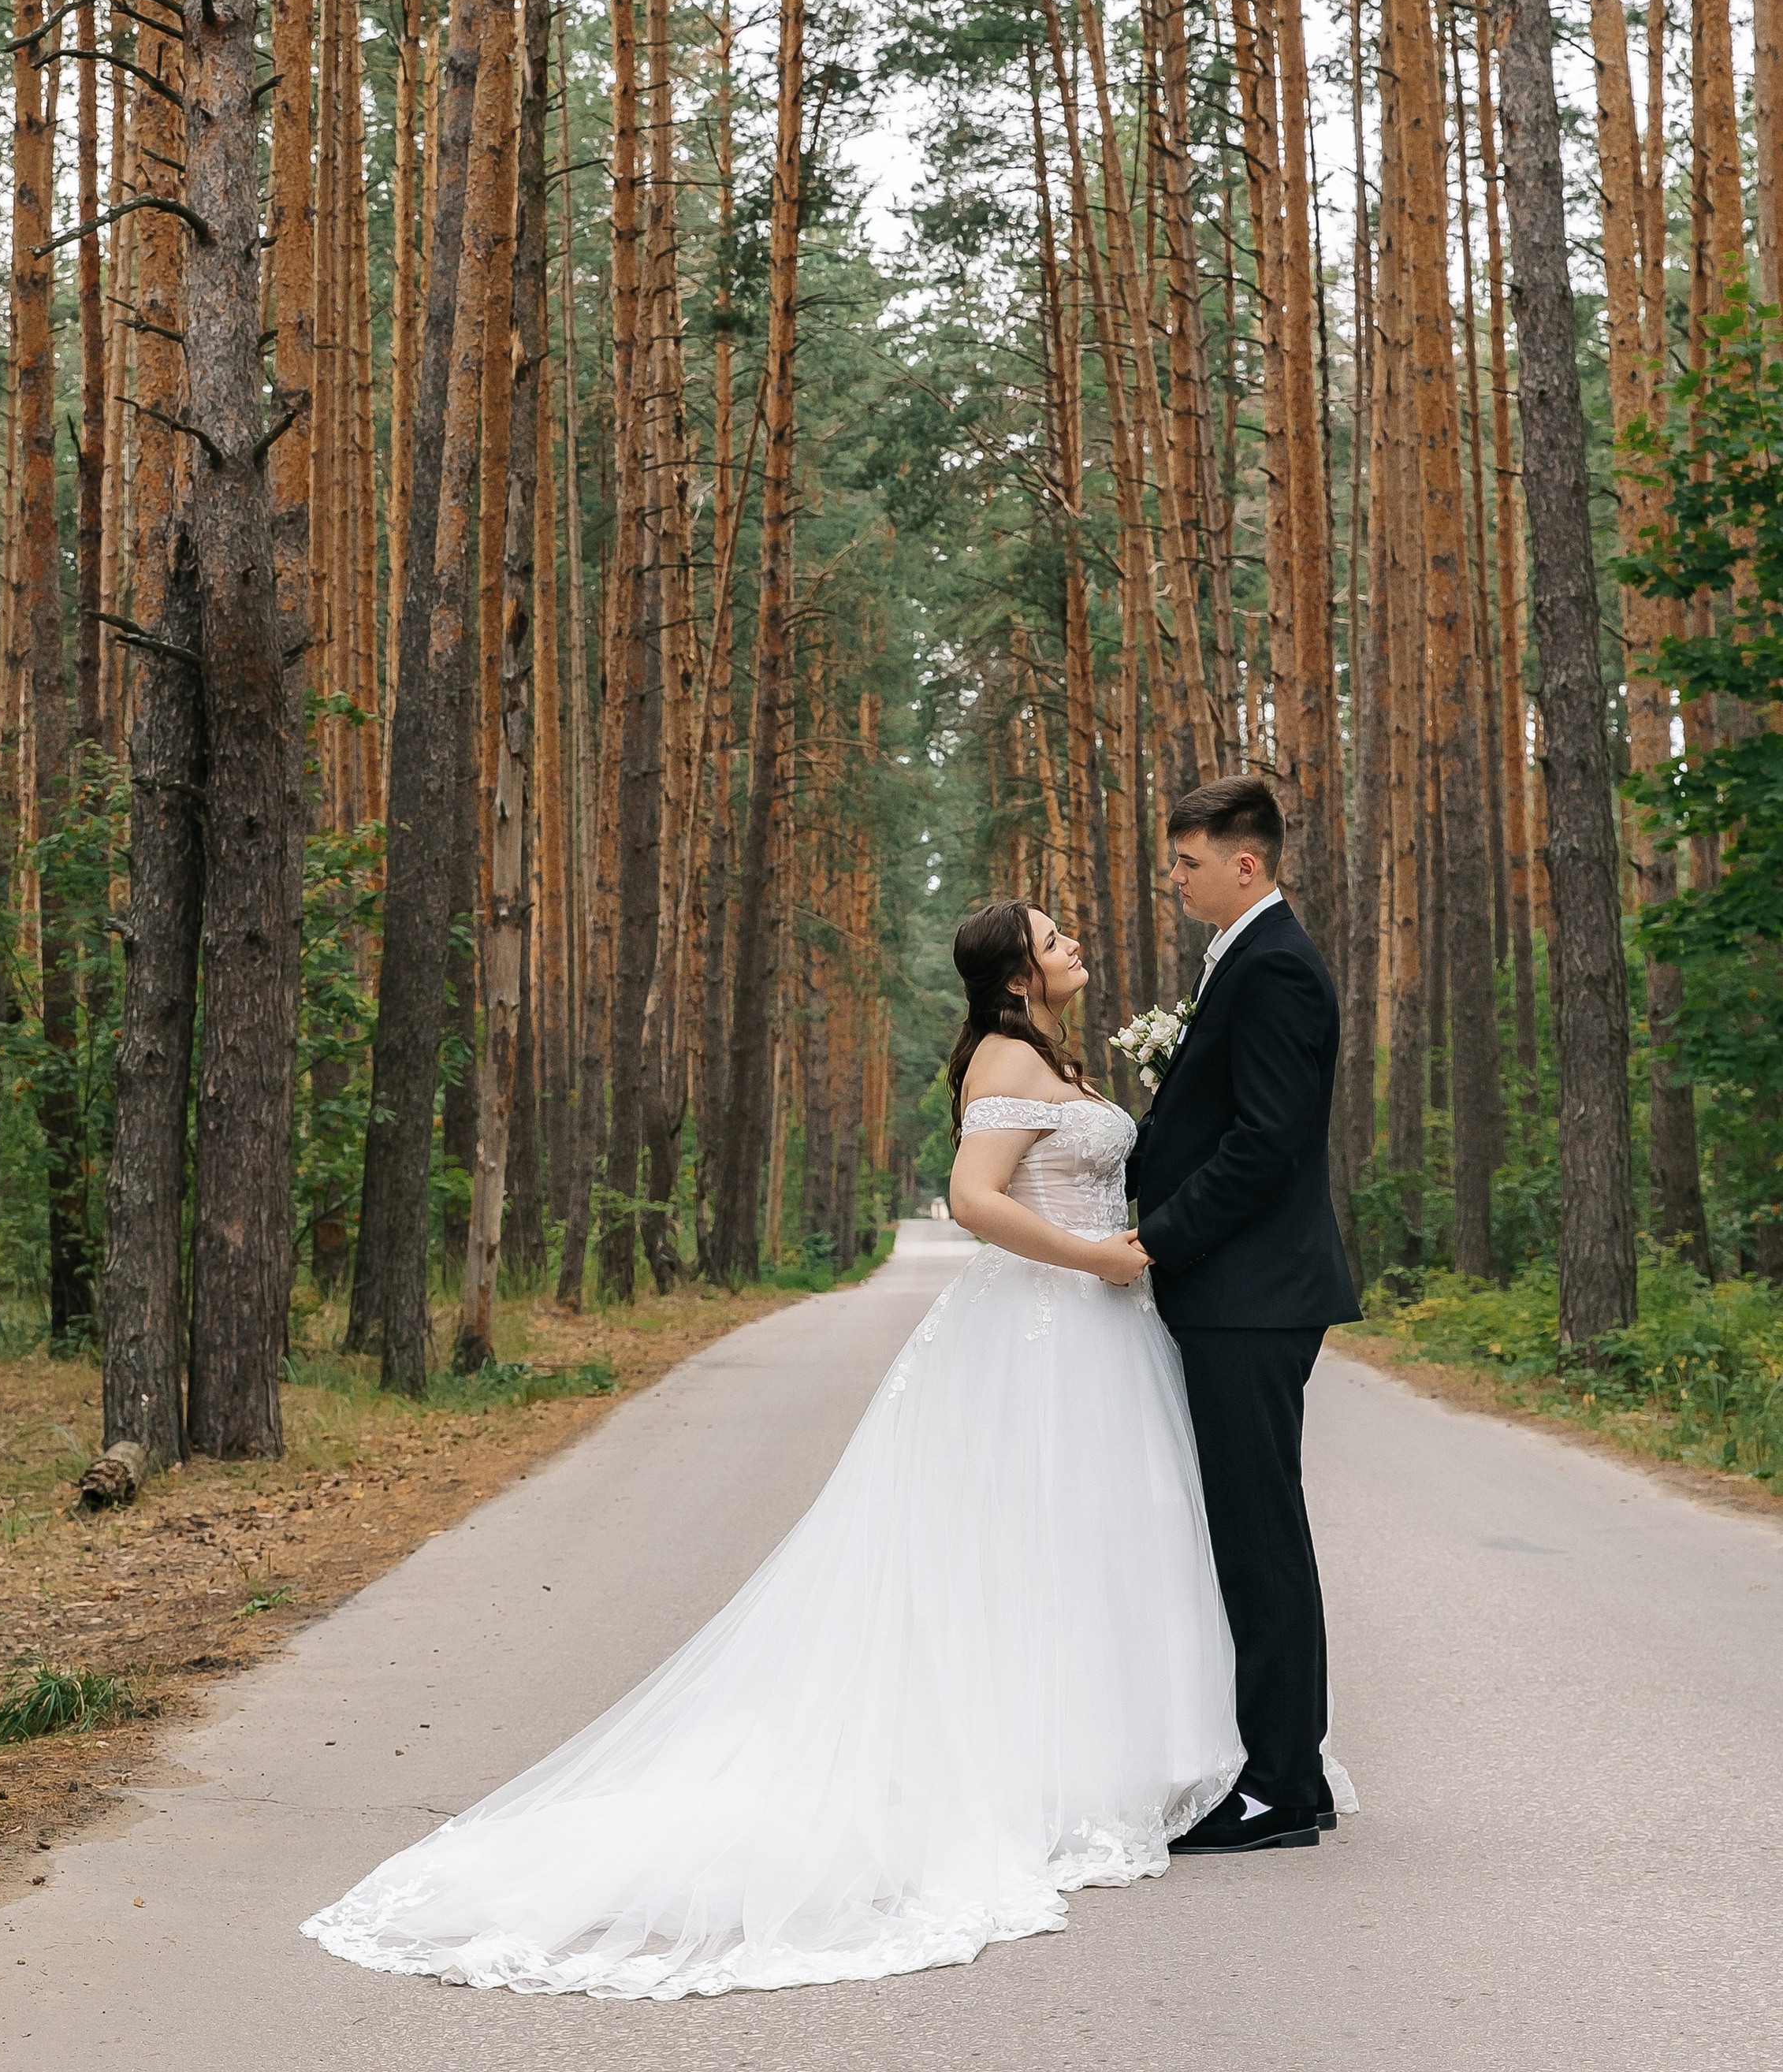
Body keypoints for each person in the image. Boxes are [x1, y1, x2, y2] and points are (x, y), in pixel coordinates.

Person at [301, 898, 1245, 1999]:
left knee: (1081, 1541)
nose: (1076, 942)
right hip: (1047, 1327)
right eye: (1054, 936)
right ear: (1016, 976)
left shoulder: (1044, 1055)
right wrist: (1095, 1259)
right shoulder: (1006, 1057)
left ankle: (1105, 1756)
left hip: (1089, 1335)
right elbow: (973, 1198)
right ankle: (1038, 1773)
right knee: (1031, 1536)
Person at [1115, 776, 1362, 1853]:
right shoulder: (1248, 960)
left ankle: (1274, 1785)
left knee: (1258, 1533)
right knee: (1254, 1527)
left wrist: (1160, 1235)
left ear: (1245, 865)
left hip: (1250, 1295)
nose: (1173, 879)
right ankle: (1289, 1775)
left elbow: (1265, 1142)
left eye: (1186, 862)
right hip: (1238, 1293)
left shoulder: (1273, 969)